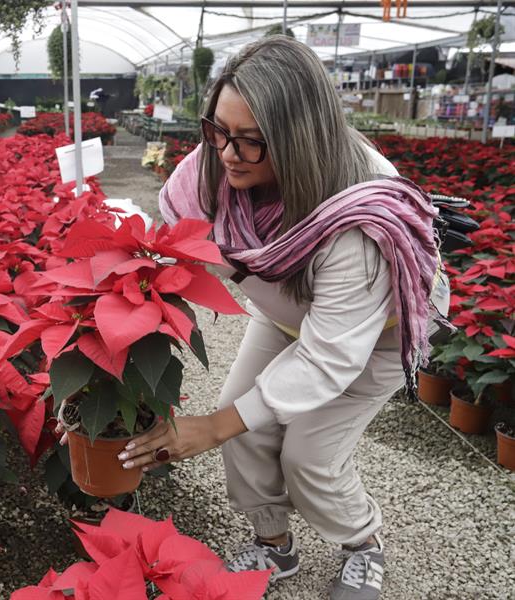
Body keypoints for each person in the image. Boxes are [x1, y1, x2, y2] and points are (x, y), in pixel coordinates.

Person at [114, 37, 448, 599]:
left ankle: (362, 543)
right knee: (242, 418)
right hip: (291, 315)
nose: (226, 153)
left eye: (251, 142)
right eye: (217, 129)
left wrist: (213, 430)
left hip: (375, 338)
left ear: (299, 140)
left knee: (309, 454)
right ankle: (274, 545)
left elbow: (328, 355)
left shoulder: (360, 216)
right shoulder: (214, 167)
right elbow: (173, 234)